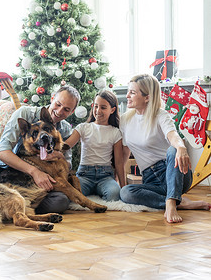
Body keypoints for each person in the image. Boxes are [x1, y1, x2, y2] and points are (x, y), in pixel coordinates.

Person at [0, 86, 80, 229]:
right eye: (58, 104)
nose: (59, 111)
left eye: (67, 109)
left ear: (72, 111)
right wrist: (35, 172)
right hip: (2, 171)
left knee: (61, 201)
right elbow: (2, 152)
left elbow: (67, 166)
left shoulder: (66, 129)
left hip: (28, 187)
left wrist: (59, 155)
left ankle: (14, 209)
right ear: (52, 98)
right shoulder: (25, 113)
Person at [119, 74, 211, 223]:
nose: (127, 96)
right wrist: (120, 180)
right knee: (126, 193)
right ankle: (180, 202)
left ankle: (171, 203)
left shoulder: (160, 114)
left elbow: (173, 135)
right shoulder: (125, 119)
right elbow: (124, 153)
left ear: (147, 97)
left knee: (173, 150)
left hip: (174, 171)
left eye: (133, 92)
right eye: (128, 91)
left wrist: (181, 147)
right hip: (150, 178)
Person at [65, 90, 125, 202]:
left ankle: (97, 192)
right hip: (84, 175)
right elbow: (67, 145)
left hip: (105, 176)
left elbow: (119, 162)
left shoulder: (115, 132)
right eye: (96, 106)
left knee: (114, 195)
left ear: (112, 110)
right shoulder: (83, 127)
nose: (98, 111)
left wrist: (123, 187)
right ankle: (91, 193)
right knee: (72, 195)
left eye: (103, 107)